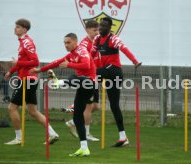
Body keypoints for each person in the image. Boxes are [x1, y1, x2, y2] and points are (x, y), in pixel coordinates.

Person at [30, 33, 96, 157]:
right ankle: (84, 148)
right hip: (82, 86)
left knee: (74, 76)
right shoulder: (72, 54)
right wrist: (40, 70)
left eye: (68, 42)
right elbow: (57, 62)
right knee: (77, 117)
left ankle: (59, 82)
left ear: (75, 42)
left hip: (88, 83)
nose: (66, 45)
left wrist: (69, 65)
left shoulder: (82, 50)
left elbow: (86, 65)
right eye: (64, 43)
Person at [4, 18, 59, 145]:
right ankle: (53, 133)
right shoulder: (23, 42)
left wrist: (18, 63)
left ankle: (18, 138)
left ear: (24, 29)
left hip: (27, 80)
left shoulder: (27, 42)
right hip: (29, 80)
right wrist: (11, 71)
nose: (15, 29)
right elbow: (22, 62)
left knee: (12, 108)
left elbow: (35, 62)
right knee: (33, 111)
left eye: (17, 27)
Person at [90, 17, 141, 147]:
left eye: (104, 26)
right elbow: (91, 54)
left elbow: (124, 49)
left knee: (94, 75)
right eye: (100, 26)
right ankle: (123, 137)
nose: (101, 28)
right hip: (106, 71)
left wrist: (134, 61)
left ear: (110, 28)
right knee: (114, 106)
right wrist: (85, 64)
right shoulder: (96, 39)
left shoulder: (113, 39)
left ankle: (88, 97)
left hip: (115, 72)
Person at [65, 20, 100, 142]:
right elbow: (84, 62)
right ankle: (86, 133)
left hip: (94, 77)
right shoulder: (85, 44)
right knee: (89, 107)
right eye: (94, 30)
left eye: (98, 30)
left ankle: (73, 121)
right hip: (87, 78)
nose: (97, 32)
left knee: (95, 106)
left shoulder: (95, 41)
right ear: (87, 30)